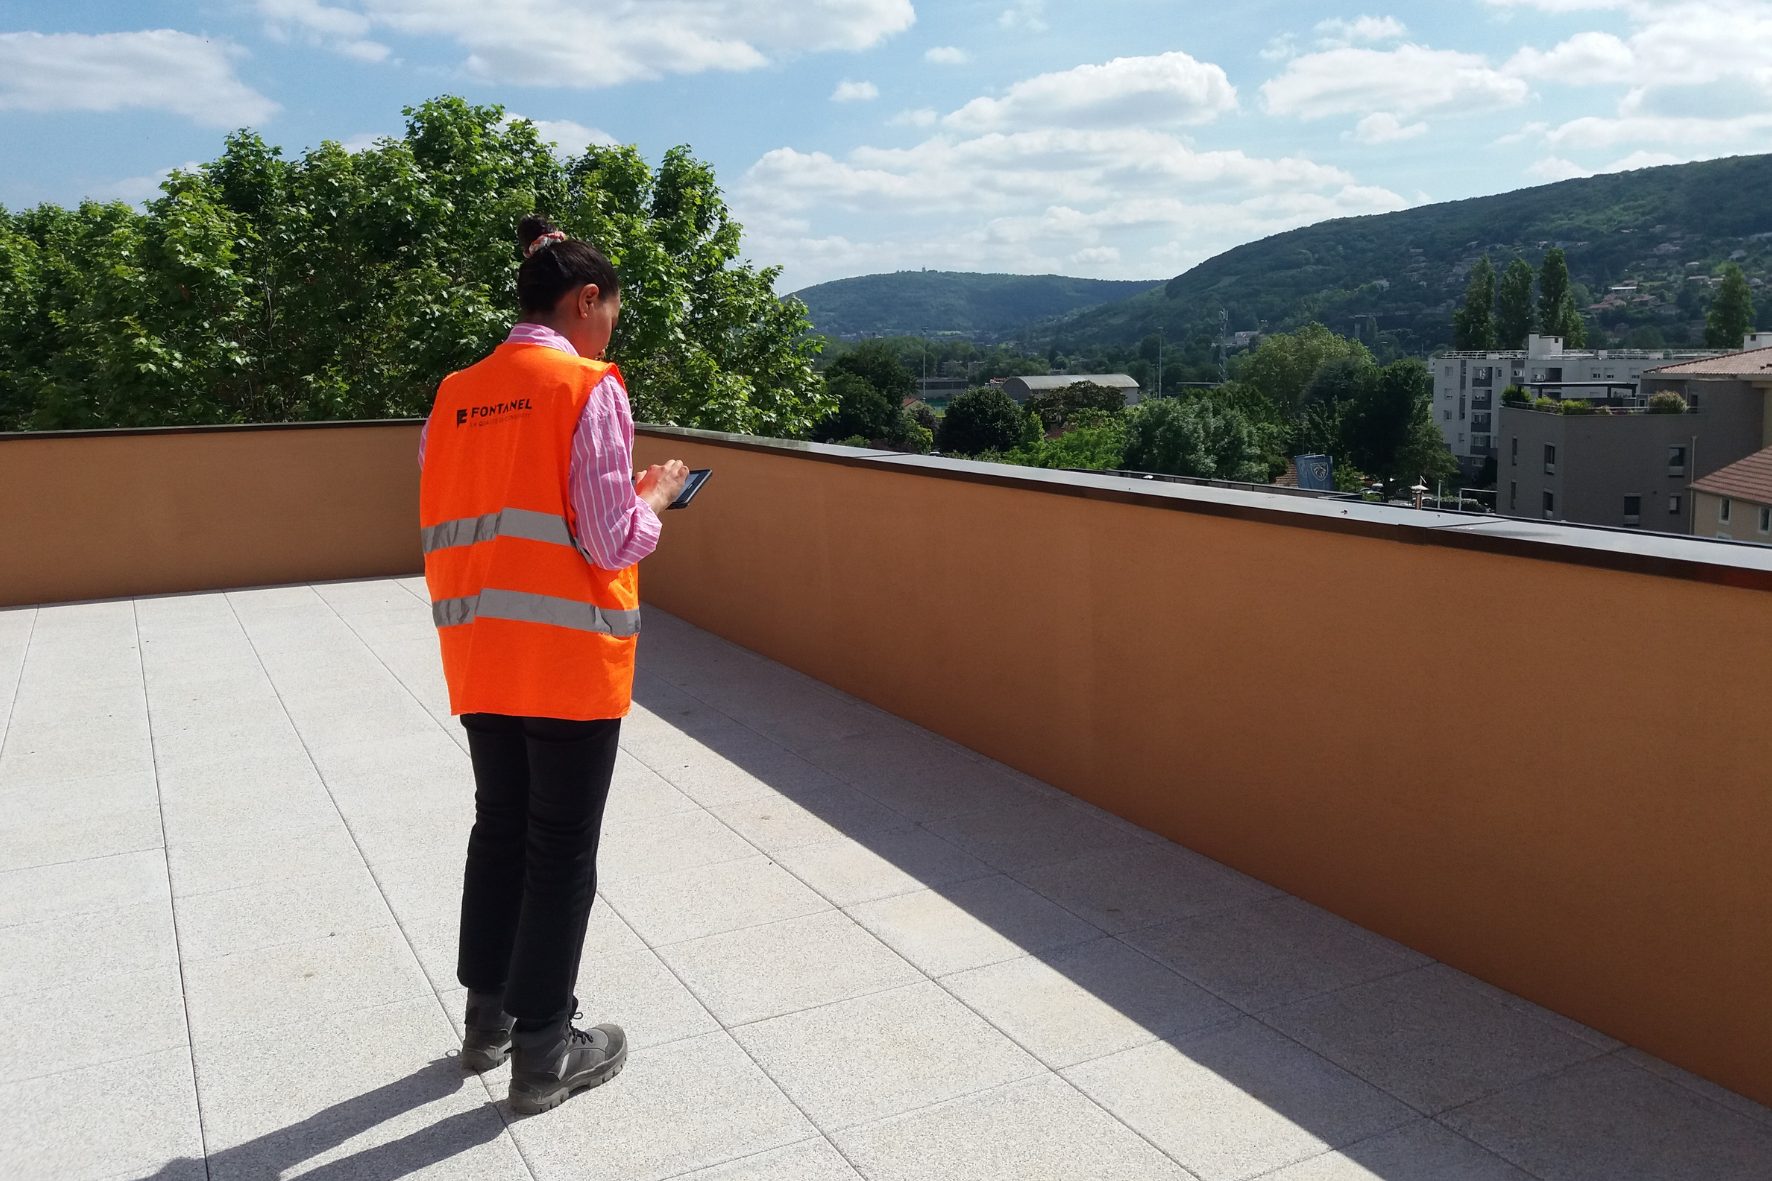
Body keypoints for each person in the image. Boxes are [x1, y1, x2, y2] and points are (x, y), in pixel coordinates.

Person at [418, 214, 688, 1114]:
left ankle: (488, 1022)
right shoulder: (587, 387)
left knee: (499, 829)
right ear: (585, 299)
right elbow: (610, 540)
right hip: (567, 656)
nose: (610, 330)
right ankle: (545, 1048)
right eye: (611, 312)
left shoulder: (456, 392)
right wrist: (655, 498)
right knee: (559, 848)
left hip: (479, 648)